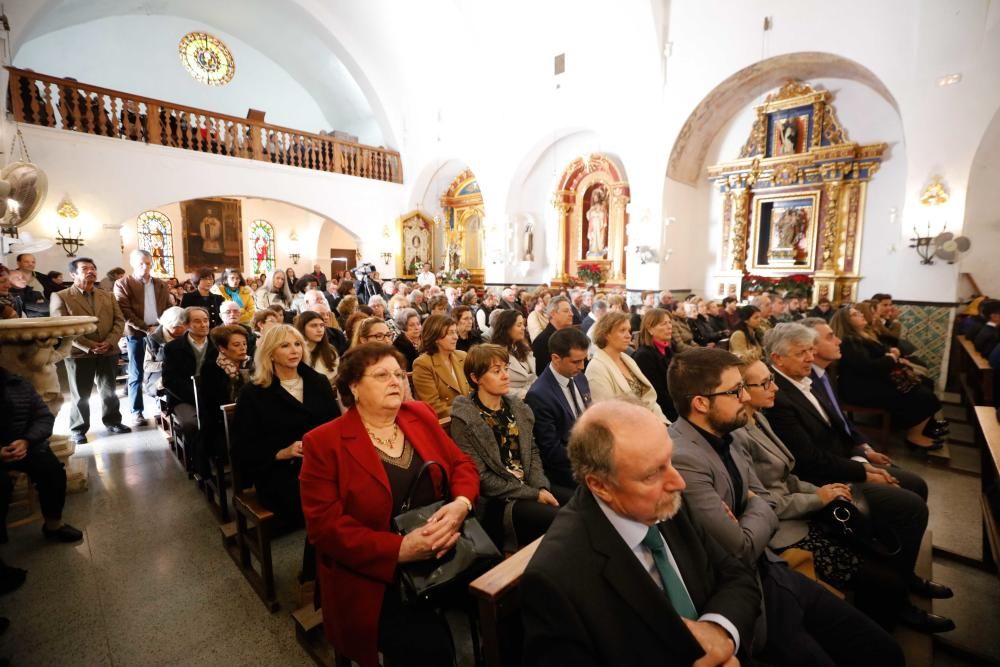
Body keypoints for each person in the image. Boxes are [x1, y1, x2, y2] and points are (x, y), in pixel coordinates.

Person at [666, 348, 907, 666]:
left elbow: (764, 497)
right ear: (700, 403)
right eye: (735, 390)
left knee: (885, 651)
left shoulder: (732, 434)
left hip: (773, 568)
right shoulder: (684, 456)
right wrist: (757, 506)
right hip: (747, 591)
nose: (744, 397)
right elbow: (741, 547)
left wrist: (753, 507)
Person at [520, 399, 760, 667]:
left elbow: (737, 575)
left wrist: (718, 631)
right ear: (600, 486)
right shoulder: (556, 578)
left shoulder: (665, 502)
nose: (678, 481)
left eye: (669, 460)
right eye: (651, 475)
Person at [740, 358, 955, 632]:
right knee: (886, 553)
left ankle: (900, 588)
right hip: (788, 523)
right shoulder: (745, 430)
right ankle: (890, 612)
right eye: (766, 382)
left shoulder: (758, 417)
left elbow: (793, 468)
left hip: (810, 493)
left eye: (771, 379)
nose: (775, 388)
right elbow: (776, 489)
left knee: (901, 509)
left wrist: (852, 464)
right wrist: (823, 494)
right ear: (741, 390)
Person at [299, 343, 478, 667]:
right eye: (381, 375)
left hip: (447, 546)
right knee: (430, 652)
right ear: (353, 386)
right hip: (375, 572)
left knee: (511, 606)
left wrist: (461, 504)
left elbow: (461, 464)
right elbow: (324, 527)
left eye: (398, 374)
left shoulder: (418, 415)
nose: (396, 381)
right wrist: (399, 549)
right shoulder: (324, 442)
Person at [450, 344, 571, 550]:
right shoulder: (465, 418)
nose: (505, 375)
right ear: (475, 378)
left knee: (582, 501)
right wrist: (533, 494)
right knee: (563, 520)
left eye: (505, 368)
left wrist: (540, 486)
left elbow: (532, 452)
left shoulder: (517, 408)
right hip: (498, 501)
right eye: (496, 371)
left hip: (529, 487)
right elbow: (482, 477)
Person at [235, 325, 340, 526]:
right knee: (322, 497)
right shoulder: (253, 393)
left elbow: (335, 425)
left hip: (323, 462)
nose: (294, 350)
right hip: (281, 471)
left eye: (298, 344)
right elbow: (243, 446)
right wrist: (281, 452)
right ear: (271, 354)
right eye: (285, 345)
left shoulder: (317, 382)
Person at [830, 306, 945, 449]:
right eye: (855, 314)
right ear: (846, 322)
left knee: (924, 385)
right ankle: (914, 436)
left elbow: (879, 354)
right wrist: (891, 357)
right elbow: (868, 367)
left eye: (859, 312)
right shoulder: (849, 341)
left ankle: (918, 426)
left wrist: (890, 354)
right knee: (924, 395)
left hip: (871, 382)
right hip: (861, 389)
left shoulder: (861, 335)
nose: (861, 314)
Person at [50, 258, 131, 444]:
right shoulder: (61, 296)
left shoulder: (107, 295)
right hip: (80, 353)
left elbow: (119, 321)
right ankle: (78, 428)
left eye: (93, 268)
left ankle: (113, 421)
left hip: (108, 350)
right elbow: (61, 327)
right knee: (81, 393)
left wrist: (110, 342)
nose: (91, 271)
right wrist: (88, 345)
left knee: (109, 390)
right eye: (85, 268)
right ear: (73, 274)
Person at [0, 367, 83, 543]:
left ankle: (53, 526)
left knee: (53, 472)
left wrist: (27, 440)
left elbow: (43, 416)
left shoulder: (18, 383)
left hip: (26, 446)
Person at [524, 328, 592, 489]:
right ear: (556, 358)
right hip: (566, 471)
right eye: (576, 361)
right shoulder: (539, 395)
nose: (582, 366)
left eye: (584, 360)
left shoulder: (579, 378)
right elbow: (551, 451)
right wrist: (589, 457)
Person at [115, 249, 171, 426]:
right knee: (137, 372)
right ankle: (137, 411)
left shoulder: (161, 284)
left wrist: (162, 326)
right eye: (140, 263)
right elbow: (124, 311)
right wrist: (146, 328)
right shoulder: (123, 283)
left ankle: (164, 407)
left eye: (148, 263)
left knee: (164, 369)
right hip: (136, 333)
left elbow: (169, 306)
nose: (145, 267)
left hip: (160, 332)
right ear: (133, 263)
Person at [586, 311, 668, 423]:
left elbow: (648, 398)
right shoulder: (596, 367)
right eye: (622, 330)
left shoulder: (627, 359)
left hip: (650, 420)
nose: (628, 336)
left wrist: (663, 423)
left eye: (628, 330)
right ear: (606, 334)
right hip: (627, 428)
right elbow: (607, 413)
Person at [162, 307, 216, 473]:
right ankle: (199, 464)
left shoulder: (216, 343)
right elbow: (169, 380)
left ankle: (219, 457)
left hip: (212, 394)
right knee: (192, 423)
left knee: (222, 419)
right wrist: (195, 395)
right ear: (186, 325)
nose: (203, 325)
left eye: (205, 320)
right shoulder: (173, 348)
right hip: (184, 396)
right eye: (197, 321)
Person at [411, 315, 469, 418]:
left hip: (471, 418)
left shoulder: (462, 356)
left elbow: (474, 390)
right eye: (450, 333)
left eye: (455, 332)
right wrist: (468, 412)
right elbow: (433, 406)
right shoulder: (423, 364)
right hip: (447, 424)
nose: (456, 336)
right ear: (436, 337)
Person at [631, 308, 679, 422]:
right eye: (664, 324)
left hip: (675, 404)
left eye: (669, 323)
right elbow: (657, 394)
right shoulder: (644, 356)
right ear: (650, 329)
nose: (669, 327)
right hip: (661, 412)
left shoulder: (668, 350)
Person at [490, 309, 536, 399]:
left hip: (534, 395)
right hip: (514, 401)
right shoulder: (495, 353)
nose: (523, 328)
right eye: (519, 325)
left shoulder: (524, 348)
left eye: (523, 324)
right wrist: (526, 394)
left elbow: (534, 377)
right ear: (507, 328)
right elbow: (496, 385)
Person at [142, 306, 186, 397]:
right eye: (177, 327)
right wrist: (166, 365)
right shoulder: (153, 340)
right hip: (159, 377)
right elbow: (147, 366)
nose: (182, 330)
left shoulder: (187, 335)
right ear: (167, 325)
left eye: (184, 326)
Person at [295, 311, 340, 389]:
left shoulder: (330, 350)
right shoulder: (295, 352)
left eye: (322, 325)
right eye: (313, 326)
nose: (319, 330)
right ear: (302, 328)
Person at [531, 295, 574, 376]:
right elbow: (543, 373)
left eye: (571, 310)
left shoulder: (571, 336)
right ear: (553, 314)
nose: (571, 314)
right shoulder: (542, 341)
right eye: (566, 311)